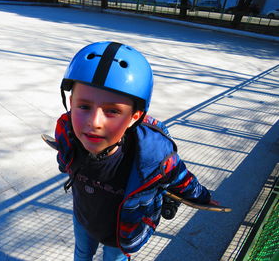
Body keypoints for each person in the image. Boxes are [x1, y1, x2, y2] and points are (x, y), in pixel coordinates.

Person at [52, 41, 218, 261]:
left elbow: (180, 178)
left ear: (135, 116)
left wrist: (202, 197)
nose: (94, 122)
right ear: (71, 103)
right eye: (84, 107)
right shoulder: (67, 134)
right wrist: (64, 163)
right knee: (82, 254)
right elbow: (64, 158)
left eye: (112, 111)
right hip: (84, 218)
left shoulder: (153, 156)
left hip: (123, 233)